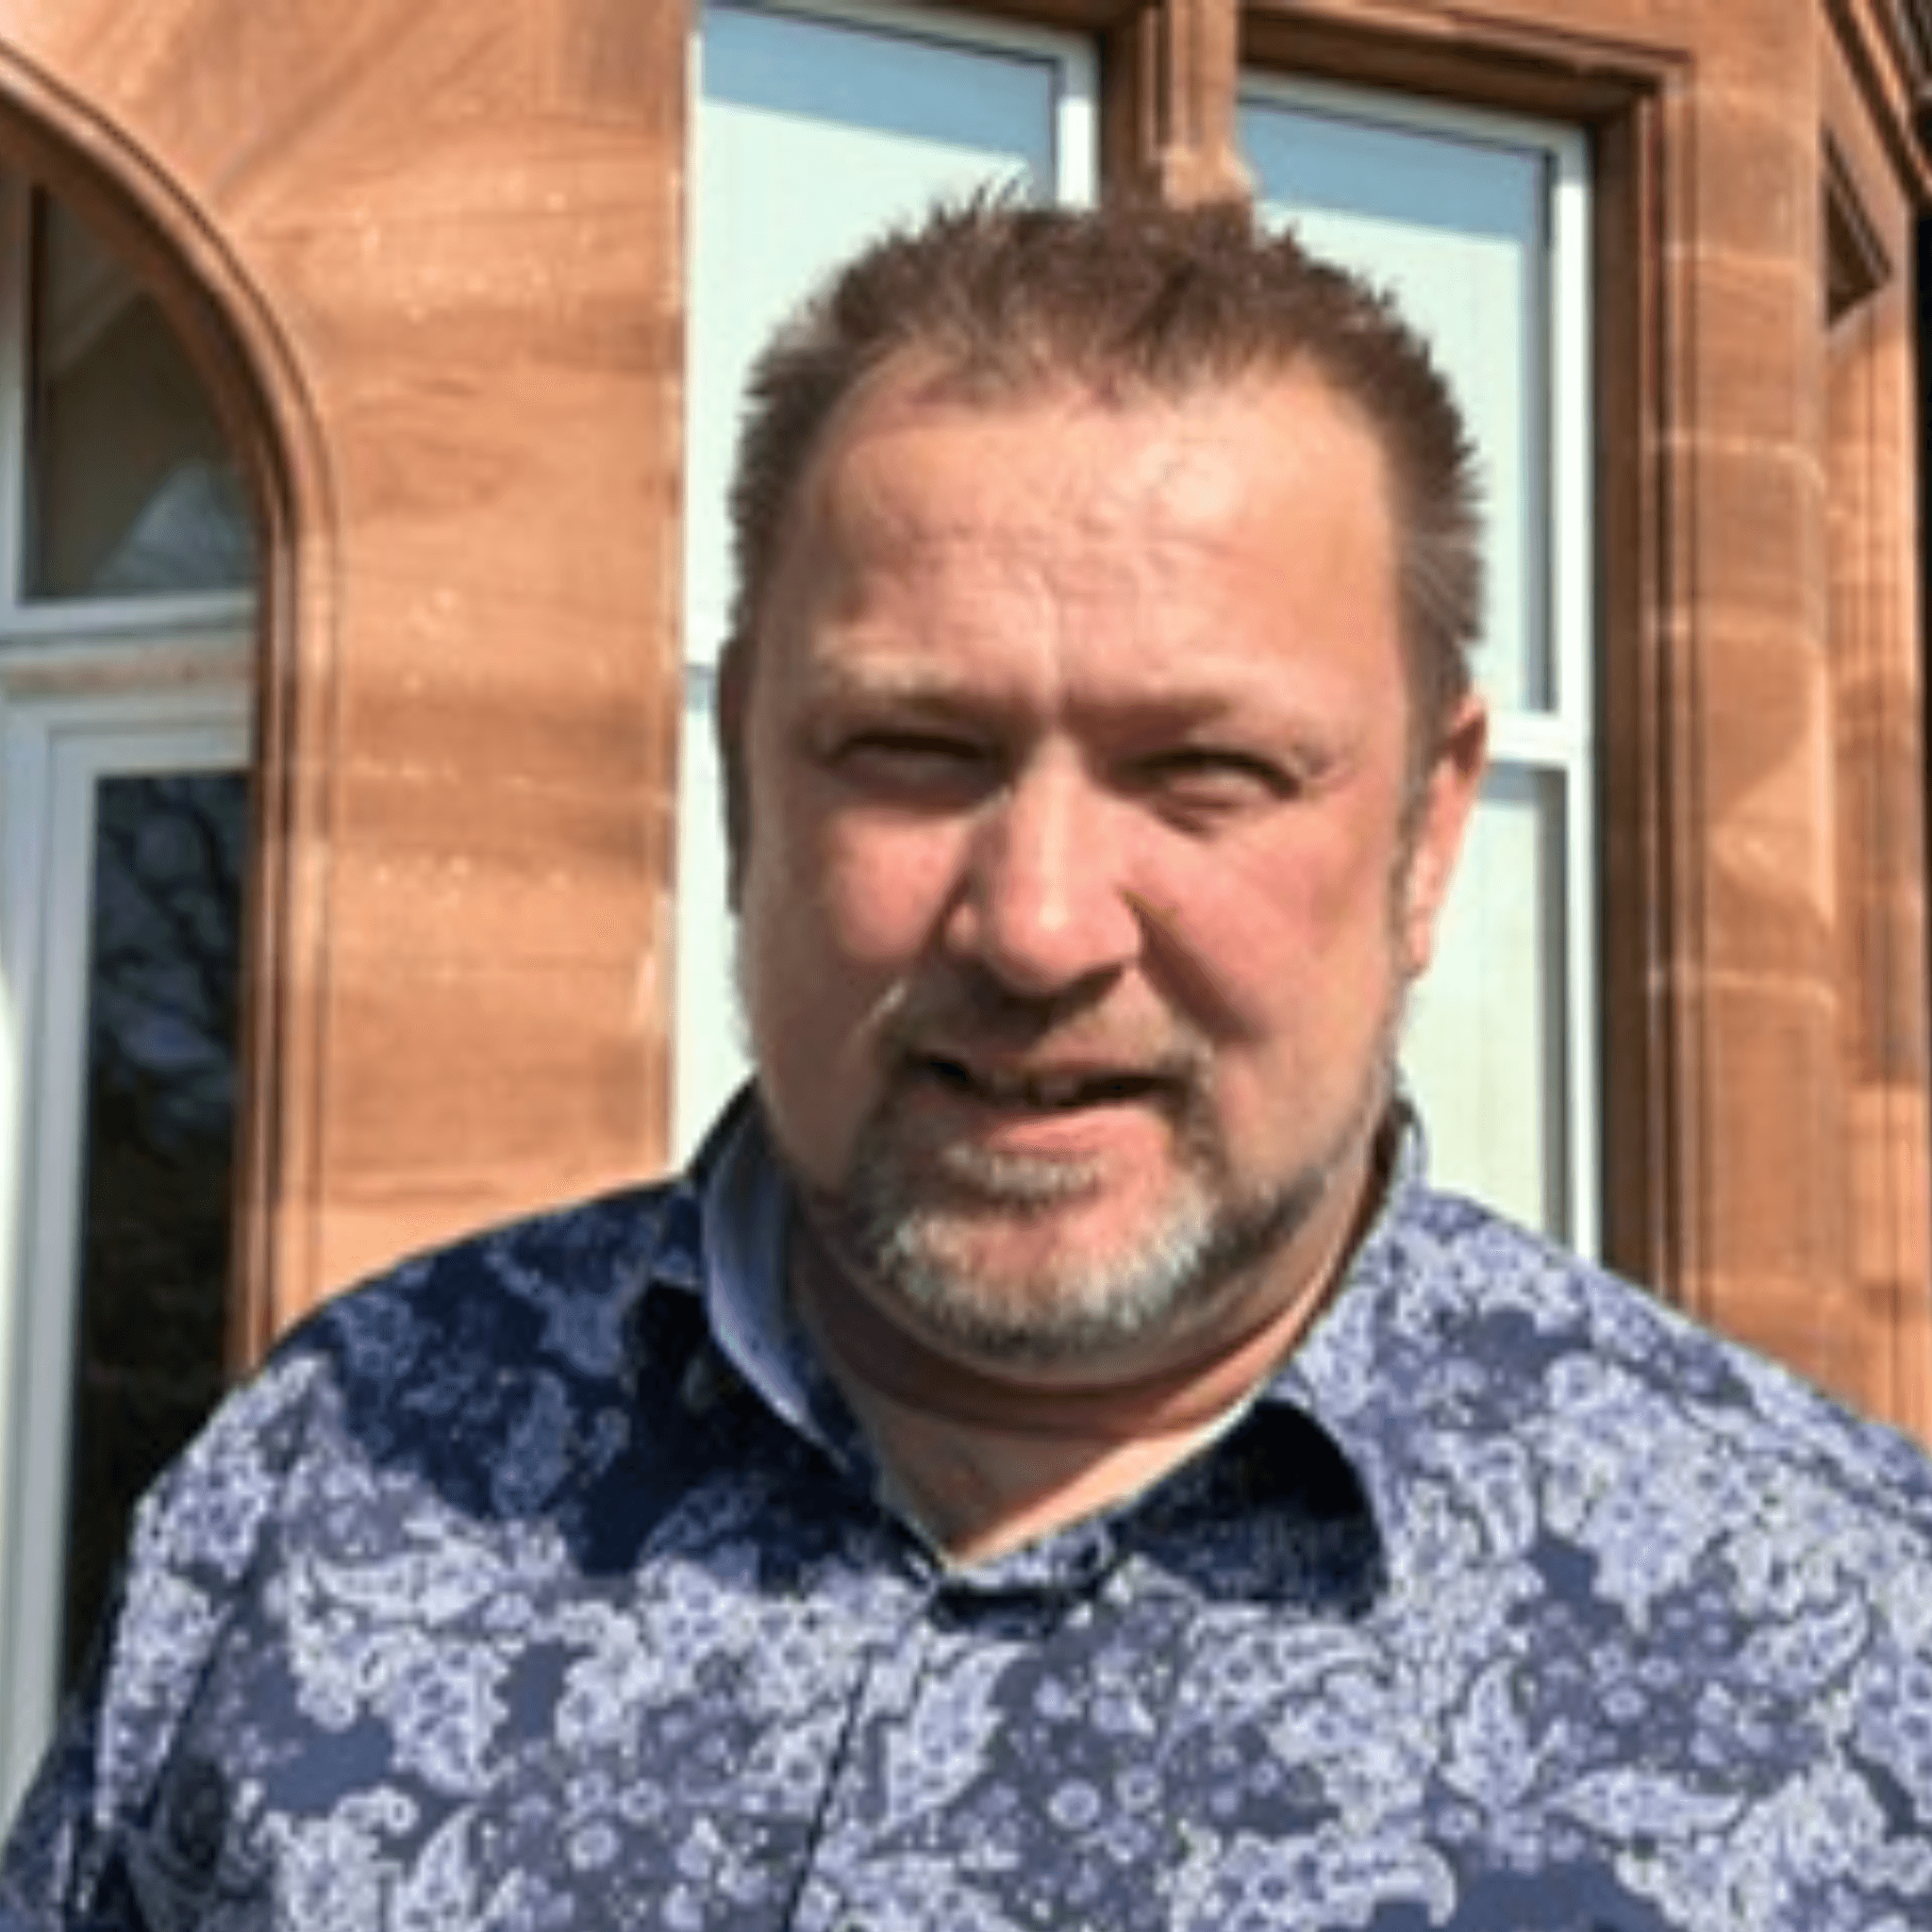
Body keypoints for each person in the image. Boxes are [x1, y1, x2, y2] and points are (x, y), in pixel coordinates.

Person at [6, 196, 1932, 1931]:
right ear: (744, 778)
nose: (1037, 924)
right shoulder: (333, 1473)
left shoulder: (1847, 1655)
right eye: (916, 752)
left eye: (1203, 770)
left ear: (1427, 831)